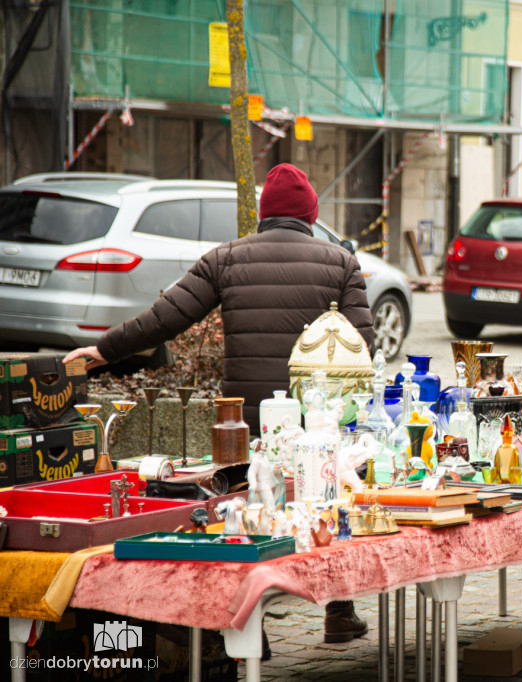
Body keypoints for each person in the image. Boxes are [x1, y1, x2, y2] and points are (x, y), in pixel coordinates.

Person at [63, 162, 375, 646]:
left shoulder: (226, 258)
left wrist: (105, 350)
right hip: (316, 416)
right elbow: (362, 347)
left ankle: (253, 628)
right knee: (324, 498)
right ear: (311, 214)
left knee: (247, 507)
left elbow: (165, 317)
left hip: (245, 416)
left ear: (263, 214)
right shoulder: (341, 262)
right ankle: (339, 609)